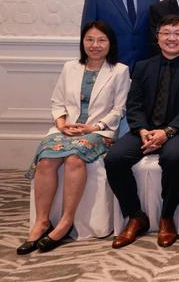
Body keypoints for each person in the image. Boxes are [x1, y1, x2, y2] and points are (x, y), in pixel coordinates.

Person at [17, 21, 130, 255]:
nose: (95, 45)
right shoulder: (70, 67)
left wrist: (93, 127)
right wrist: (62, 124)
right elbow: (57, 102)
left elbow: (119, 109)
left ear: (110, 43)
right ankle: (42, 221)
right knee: (46, 159)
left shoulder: (120, 70)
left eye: (102, 40)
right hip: (66, 129)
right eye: (90, 39)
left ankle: (66, 221)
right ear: (82, 42)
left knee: (74, 159)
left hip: (98, 131)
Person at [104, 15, 179, 249]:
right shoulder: (143, 66)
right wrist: (142, 130)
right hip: (144, 129)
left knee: (173, 157)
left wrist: (167, 132)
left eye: (178, 33)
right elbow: (134, 104)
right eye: (166, 33)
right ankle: (135, 215)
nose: (172, 38)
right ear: (157, 37)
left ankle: (167, 217)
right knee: (114, 159)